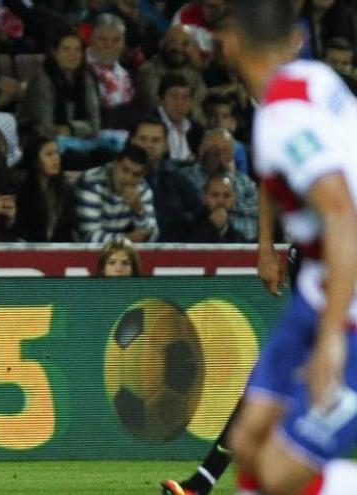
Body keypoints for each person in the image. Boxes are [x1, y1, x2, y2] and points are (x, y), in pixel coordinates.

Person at [206, 2, 357, 494]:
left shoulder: (284, 117)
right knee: (248, 439)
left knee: (277, 471)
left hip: (347, 301)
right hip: (317, 287)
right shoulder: (312, 81)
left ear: (230, 42)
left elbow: (340, 213)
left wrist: (332, 336)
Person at [19, 29, 102, 139]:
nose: (72, 54)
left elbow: (95, 125)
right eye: (66, 49)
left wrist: (70, 128)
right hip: (40, 142)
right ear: (54, 52)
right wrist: (83, 127)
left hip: (79, 141)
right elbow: (44, 129)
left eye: (77, 50)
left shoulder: (87, 77)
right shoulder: (43, 79)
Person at [178, 129, 258, 242]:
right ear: (201, 150)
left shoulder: (245, 184)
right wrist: (209, 224)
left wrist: (224, 224)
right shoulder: (183, 179)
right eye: (214, 149)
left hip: (237, 247)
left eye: (225, 150)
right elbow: (178, 222)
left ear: (232, 154)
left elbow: (252, 225)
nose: (219, 155)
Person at [75, 143, 158, 243]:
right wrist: (126, 239)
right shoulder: (91, 183)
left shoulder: (143, 189)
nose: (128, 178)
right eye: (125, 170)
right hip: (83, 254)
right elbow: (89, 237)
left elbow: (152, 236)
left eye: (136, 174)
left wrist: (138, 211)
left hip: (123, 253)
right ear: (115, 164)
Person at [14, 134, 77, 242]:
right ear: (35, 160)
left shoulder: (66, 191)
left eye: (57, 152)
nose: (56, 158)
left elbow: (68, 232)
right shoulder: (21, 192)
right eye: (49, 154)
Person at [186, 174, 246, 243]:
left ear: (234, 200)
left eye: (227, 195)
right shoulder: (187, 227)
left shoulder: (239, 239)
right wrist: (210, 226)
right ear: (204, 199)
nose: (221, 201)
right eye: (215, 195)